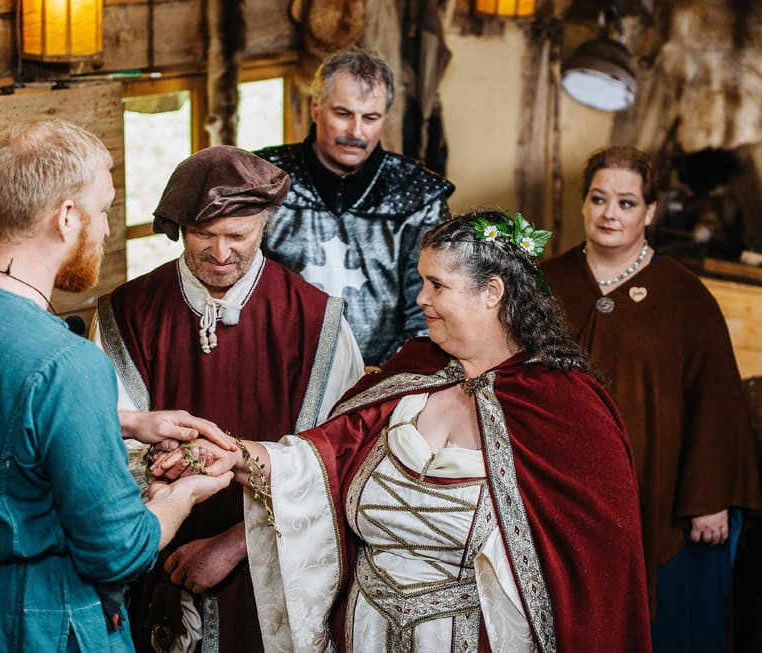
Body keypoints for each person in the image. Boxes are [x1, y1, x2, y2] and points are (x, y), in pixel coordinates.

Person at [174, 209, 652, 651]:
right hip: (367, 632)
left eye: (436, 285)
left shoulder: (565, 407)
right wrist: (237, 455)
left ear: (492, 293)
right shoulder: (415, 371)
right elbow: (325, 457)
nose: (420, 298)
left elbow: (597, 578)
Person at [0, 119, 234, 653]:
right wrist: (183, 494)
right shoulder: (69, 363)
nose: (105, 229)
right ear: (65, 217)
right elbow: (120, 550)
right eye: (102, 211)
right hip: (42, 618)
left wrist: (125, 422)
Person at [92, 145, 364, 653]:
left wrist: (235, 544)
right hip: (157, 564)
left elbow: (336, 466)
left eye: (237, 236)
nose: (220, 253)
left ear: (265, 224)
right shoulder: (126, 315)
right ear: (178, 229)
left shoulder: (316, 323)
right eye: (203, 235)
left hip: (272, 574)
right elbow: (107, 451)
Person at [540, 145, 762, 652]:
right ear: (583, 204)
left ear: (650, 211)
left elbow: (717, 403)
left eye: (626, 203)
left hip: (652, 492)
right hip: (559, 490)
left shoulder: (684, 295)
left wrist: (709, 500)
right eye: (599, 199)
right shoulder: (546, 282)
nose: (609, 214)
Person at [256, 48, 455, 367]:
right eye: (343, 114)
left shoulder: (418, 195)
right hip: (279, 370)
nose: (356, 132)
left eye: (370, 118)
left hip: (384, 378)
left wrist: (385, 376)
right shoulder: (264, 180)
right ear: (315, 108)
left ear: (384, 119)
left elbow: (430, 308)